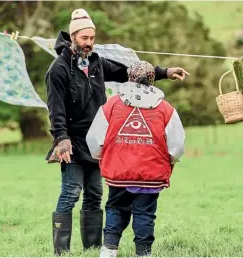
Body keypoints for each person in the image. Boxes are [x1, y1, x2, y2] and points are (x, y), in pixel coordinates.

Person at [45, 8, 188, 256]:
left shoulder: (96, 62)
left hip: (99, 141)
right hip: (73, 142)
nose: (89, 43)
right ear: (73, 37)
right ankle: (61, 250)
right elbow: (55, 107)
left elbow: (127, 72)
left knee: (95, 194)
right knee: (70, 193)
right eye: (84, 38)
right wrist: (62, 138)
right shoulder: (58, 69)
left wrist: (164, 72)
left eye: (92, 38)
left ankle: (91, 247)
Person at [86, 61, 185, 257]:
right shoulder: (166, 109)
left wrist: (101, 157)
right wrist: (170, 161)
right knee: (145, 214)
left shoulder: (112, 105)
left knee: (115, 208)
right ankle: (143, 253)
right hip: (151, 175)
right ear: (152, 80)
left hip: (119, 174)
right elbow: (177, 145)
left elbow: (94, 139)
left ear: (130, 78)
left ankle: (109, 251)